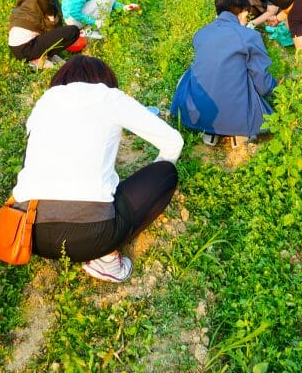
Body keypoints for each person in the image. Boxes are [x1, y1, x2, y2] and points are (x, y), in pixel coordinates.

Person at [11, 55, 183, 282]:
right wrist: (146, 182)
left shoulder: (45, 101)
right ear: (105, 80)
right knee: (165, 174)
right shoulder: (109, 96)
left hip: (30, 234)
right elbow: (173, 142)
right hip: (91, 237)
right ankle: (107, 260)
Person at [170, 0, 278, 146]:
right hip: (236, 113)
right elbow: (261, 79)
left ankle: (209, 131)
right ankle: (239, 131)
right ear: (242, 13)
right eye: (247, 15)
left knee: (193, 71)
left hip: (198, 112)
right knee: (245, 74)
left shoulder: (201, 33)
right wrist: (274, 90)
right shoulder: (249, 36)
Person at [8, 0, 80, 70]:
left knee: (63, 31)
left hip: (18, 47)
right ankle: (36, 59)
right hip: (26, 48)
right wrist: (50, 15)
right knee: (73, 31)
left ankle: (46, 55)